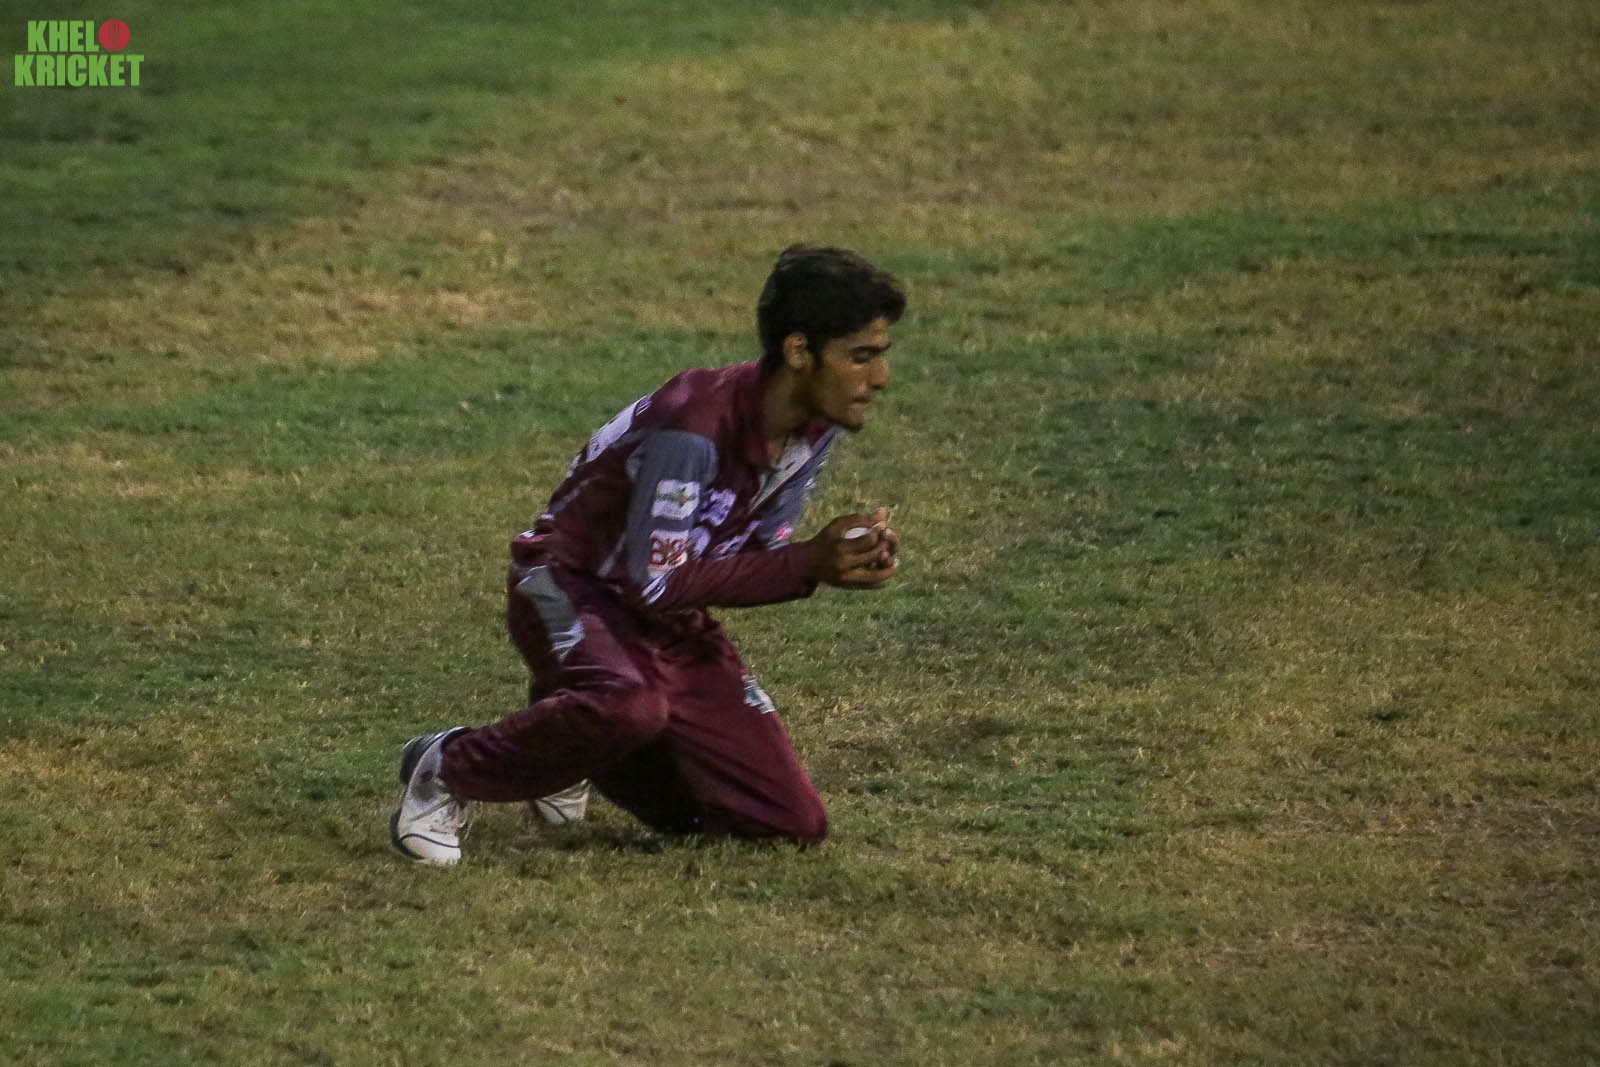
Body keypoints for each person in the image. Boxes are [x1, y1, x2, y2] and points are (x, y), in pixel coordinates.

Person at [390, 245, 906, 865]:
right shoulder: (692, 429)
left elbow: (749, 556)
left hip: (665, 612)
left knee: (788, 822)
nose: (881, 378)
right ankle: (447, 766)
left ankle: (566, 743)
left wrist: (836, 558)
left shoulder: (811, 431)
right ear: (799, 351)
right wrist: (805, 564)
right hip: (573, 585)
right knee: (629, 706)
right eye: (861, 356)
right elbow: (655, 584)